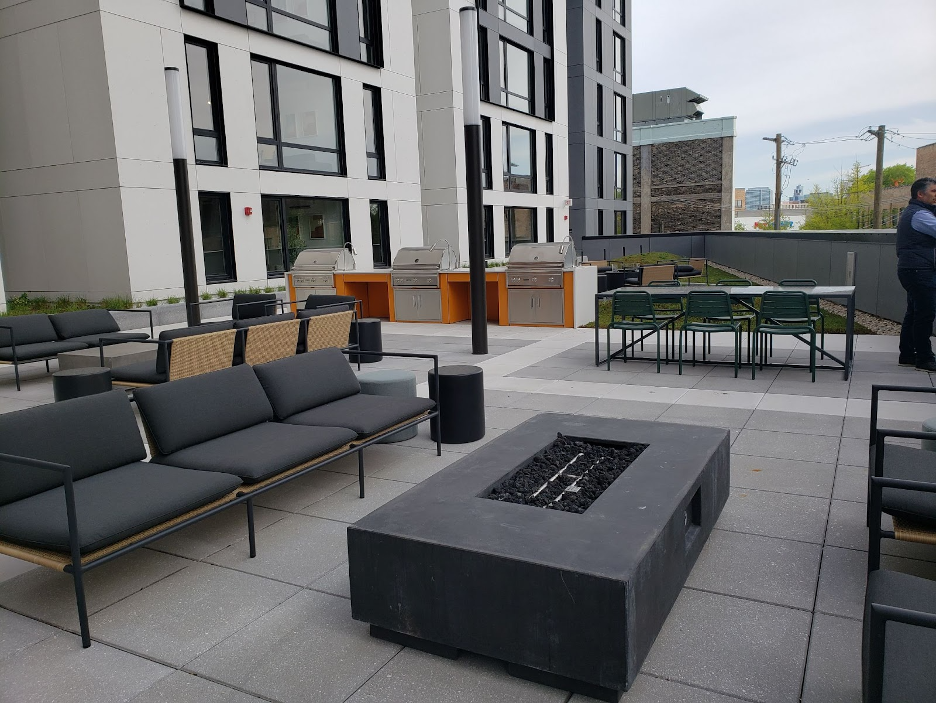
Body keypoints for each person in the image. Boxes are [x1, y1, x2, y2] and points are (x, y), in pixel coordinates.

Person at [897, 177, 936, 371]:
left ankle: (907, 354)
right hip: (919, 270)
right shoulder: (920, 215)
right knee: (925, 313)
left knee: (914, 313)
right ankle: (924, 358)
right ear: (920, 194)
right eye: (934, 191)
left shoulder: (915, 212)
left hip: (912, 269)